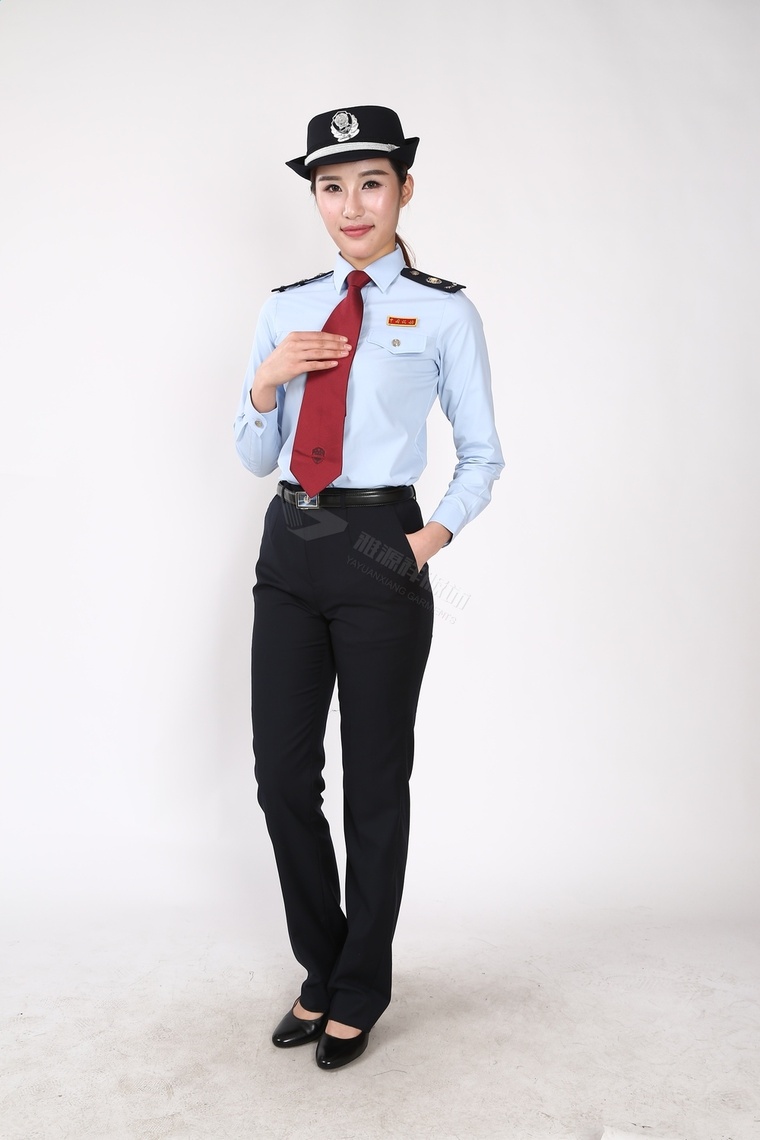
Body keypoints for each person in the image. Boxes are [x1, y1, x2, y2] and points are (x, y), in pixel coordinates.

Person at [234, 105, 504, 1070]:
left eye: (371, 183)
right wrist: (266, 383)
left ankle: (360, 987)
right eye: (331, 187)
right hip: (291, 540)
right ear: (316, 197)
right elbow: (252, 453)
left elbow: (482, 454)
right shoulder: (286, 307)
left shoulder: (444, 312)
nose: (352, 205)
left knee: (375, 783)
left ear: (404, 190)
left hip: (379, 544)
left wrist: (423, 541)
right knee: (280, 779)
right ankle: (324, 964)